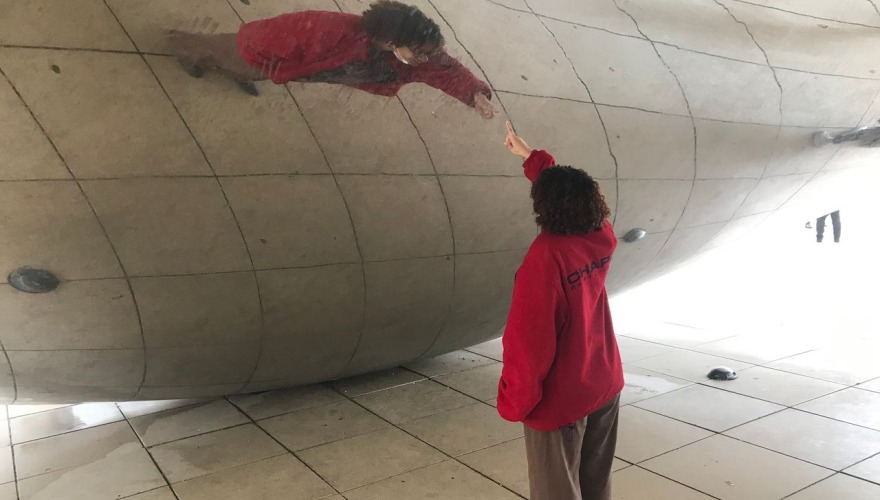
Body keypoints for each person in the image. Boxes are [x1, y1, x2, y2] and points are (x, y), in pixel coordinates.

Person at [496, 121, 623, 500]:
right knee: (595, 484)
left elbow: (527, 348)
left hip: (561, 403)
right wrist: (532, 157)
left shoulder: (545, 260)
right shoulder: (600, 235)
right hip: (604, 382)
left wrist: (513, 403)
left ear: (543, 207)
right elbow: (567, 191)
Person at [167, 0, 497, 119]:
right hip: (265, 54)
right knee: (233, 56)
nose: (427, 59)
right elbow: (273, 36)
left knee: (250, 71)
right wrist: (266, 63)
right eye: (421, 52)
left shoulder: (414, 57)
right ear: (390, 41)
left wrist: (475, 95)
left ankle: (240, 72)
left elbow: (448, 72)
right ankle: (184, 46)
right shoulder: (330, 29)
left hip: (293, 68)